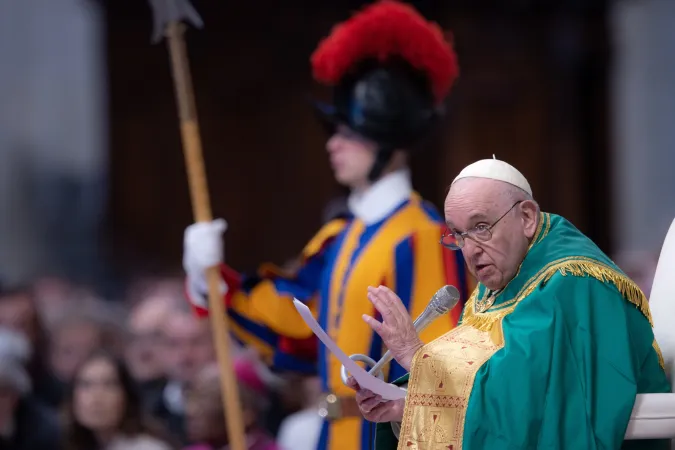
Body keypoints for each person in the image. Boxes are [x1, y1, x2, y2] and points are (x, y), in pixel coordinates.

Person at [182, 2, 470, 449]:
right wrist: (213, 281)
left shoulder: (423, 236)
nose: (333, 144)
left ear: (388, 140)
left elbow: (438, 367)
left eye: (350, 132)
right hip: (330, 434)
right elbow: (297, 331)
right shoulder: (342, 234)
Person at [349, 157, 671, 450]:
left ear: (527, 217)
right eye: (459, 235)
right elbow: (489, 384)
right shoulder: (496, 286)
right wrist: (409, 402)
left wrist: (416, 358)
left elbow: (531, 402)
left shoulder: (574, 283)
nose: (470, 251)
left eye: (481, 227)